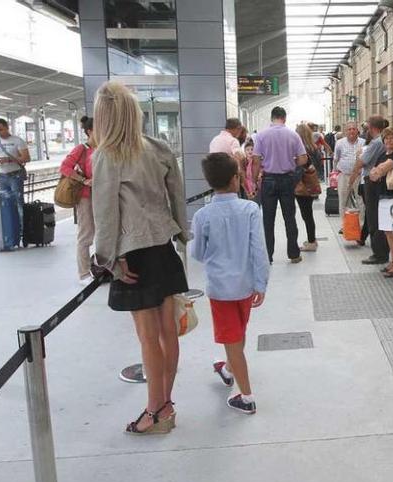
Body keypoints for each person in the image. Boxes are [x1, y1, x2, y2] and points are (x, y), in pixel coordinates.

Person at [92, 81, 189, 434]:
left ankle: (154, 411)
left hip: (132, 253)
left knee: (148, 338)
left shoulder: (106, 155)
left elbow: (106, 215)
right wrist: (181, 232)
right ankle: (166, 406)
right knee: (168, 333)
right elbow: (176, 195)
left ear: (104, 116)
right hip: (163, 246)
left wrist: (106, 259)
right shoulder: (158, 148)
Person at [190, 152, 269, 414]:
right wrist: (261, 283)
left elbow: (198, 253)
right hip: (245, 285)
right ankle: (227, 369)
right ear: (236, 179)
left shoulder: (203, 216)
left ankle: (245, 396)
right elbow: (259, 249)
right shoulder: (250, 209)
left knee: (232, 339)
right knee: (238, 333)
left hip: (220, 288)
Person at [251, 107, 308, 264]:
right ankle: (294, 254)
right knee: (289, 218)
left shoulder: (261, 135)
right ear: (284, 118)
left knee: (268, 220)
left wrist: (255, 180)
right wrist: (291, 161)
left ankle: (268, 256)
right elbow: (303, 159)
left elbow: (256, 160)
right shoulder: (293, 135)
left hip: (268, 180)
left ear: (272, 118)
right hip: (287, 180)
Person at [348, 116, 390, 265]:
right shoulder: (381, 141)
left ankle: (379, 253)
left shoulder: (376, 143)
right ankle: (382, 251)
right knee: (375, 217)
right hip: (376, 181)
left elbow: (361, 161)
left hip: (372, 183)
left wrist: (351, 178)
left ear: (372, 128)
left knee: (373, 218)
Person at [59, 116, 96, 283]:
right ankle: (84, 273)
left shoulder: (106, 149)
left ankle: (104, 268)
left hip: (103, 197)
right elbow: (64, 167)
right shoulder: (82, 149)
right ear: (90, 131)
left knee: (106, 232)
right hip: (86, 197)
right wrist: (83, 180)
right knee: (86, 234)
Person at [370, 127, 393, 277]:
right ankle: (392, 260)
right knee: (387, 231)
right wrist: (377, 171)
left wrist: (378, 171)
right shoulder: (382, 154)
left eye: (392, 138)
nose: (389, 141)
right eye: (386, 138)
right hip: (382, 196)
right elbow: (373, 175)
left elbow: (380, 171)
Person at [0, 118, 31, 216]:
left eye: (1, 129)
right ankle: (9, 227)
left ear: (7, 128)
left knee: (18, 202)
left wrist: (8, 159)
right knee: (5, 203)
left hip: (15, 176)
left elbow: (27, 158)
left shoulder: (17, 141)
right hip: (2, 176)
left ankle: (21, 228)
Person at [295, 123, 322, 252]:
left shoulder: (301, 150)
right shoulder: (314, 147)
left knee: (306, 214)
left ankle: (311, 241)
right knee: (309, 213)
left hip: (302, 185)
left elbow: (300, 167)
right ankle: (312, 239)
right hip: (311, 184)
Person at [333, 121, 365, 214]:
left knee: (361, 201)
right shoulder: (339, 143)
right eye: (349, 129)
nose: (351, 131)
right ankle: (344, 226)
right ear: (345, 131)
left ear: (357, 130)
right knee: (343, 201)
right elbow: (336, 158)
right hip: (344, 175)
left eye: (353, 129)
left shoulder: (363, 143)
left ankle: (361, 225)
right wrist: (334, 173)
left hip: (359, 176)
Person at [209, 118, 246, 196]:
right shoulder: (232, 140)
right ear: (238, 128)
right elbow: (238, 156)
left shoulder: (214, 140)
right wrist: (243, 179)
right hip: (230, 180)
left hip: (215, 179)